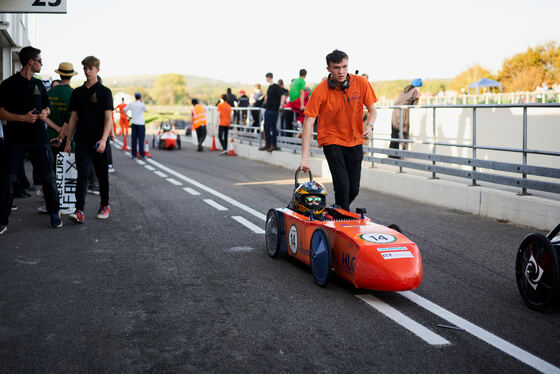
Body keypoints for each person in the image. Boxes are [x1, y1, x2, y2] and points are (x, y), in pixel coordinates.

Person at [300, 49, 377, 211]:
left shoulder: (361, 83)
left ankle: (336, 211)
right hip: (331, 140)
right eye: (336, 68)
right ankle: (343, 221)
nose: (341, 71)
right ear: (328, 69)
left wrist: (369, 126)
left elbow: (372, 110)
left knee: (353, 189)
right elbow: (308, 124)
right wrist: (305, 158)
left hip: (355, 140)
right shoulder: (320, 90)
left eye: (344, 66)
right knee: (342, 185)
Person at [0, 46, 63, 234]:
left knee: (47, 178)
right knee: (8, 179)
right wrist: (23, 118)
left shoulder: (38, 85)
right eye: (39, 60)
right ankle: (2, 220)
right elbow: (1, 112)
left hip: (39, 139)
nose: (41, 63)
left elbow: (47, 107)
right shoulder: (8, 84)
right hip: (15, 139)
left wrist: (45, 113)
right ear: (30, 62)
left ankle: (54, 213)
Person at [64, 56, 114, 223]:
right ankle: (79, 210)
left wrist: (103, 139)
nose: (87, 71)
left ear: (97, 69)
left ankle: (105, 204)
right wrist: (68, 141)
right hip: (82, 140)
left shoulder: (105, 92)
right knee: (82, 175)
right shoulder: (77, 92)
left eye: (90, 68)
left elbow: (109, 118)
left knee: (102, 175)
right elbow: (73, 118)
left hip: (99, 140)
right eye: (85, 68)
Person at [390, 78, 422, 152]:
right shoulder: (416, 90)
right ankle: (403, 151)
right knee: (404, 131)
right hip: (403, 111)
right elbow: (416, 104)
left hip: (395, 111)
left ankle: (393, 153)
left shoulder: (406, 89)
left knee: (395, 132)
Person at [259, 72, 286, 152]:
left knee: (273, 127)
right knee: (266, 127)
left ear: (269, 77)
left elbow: (283, 95)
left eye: (266, 78)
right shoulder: (269, 87)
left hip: (274, 110)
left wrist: (281, 105)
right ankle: (268, 144)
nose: (266, 79)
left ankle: (274, 145)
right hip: (268, 109)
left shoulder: (276, 86)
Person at [125, 92, 147, 158]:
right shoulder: (142, 104)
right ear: (140, 97)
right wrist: (141, 101)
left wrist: (129, 116)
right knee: (141, 140)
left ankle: (133, 154)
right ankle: (141, 154)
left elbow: (124, 110)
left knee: (134, 139)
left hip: (134, 123)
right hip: (141, 124)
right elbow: (146, 110)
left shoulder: (131, 104)